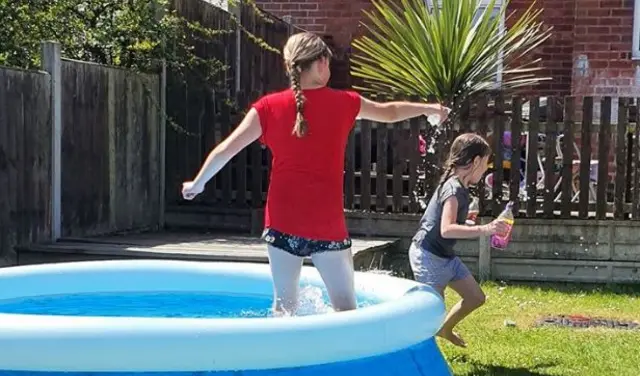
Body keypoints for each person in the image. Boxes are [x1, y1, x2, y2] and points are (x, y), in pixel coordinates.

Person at [182, 32, 450, 315]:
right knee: (346, 309)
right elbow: (390, 112)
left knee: (284, 308)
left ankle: (285, 359)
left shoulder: (267, 108)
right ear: (322, 62)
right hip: (326, 223)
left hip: (282, 220)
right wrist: (428, 108)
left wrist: (198, 183)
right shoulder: (345, 102)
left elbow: (226, 149)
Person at [409, 133, 509, 348]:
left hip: (444, 256)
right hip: (428, 255)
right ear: (475, 162)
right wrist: (487, 229)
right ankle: (420, 356)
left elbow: (448, 224)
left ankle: (445, 329)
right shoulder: (453, 189)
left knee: (475, 297)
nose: (486, 170)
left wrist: (468, 224)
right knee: (431, 312)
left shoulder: (460, 188)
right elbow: (446, 229)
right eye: (485, 164)